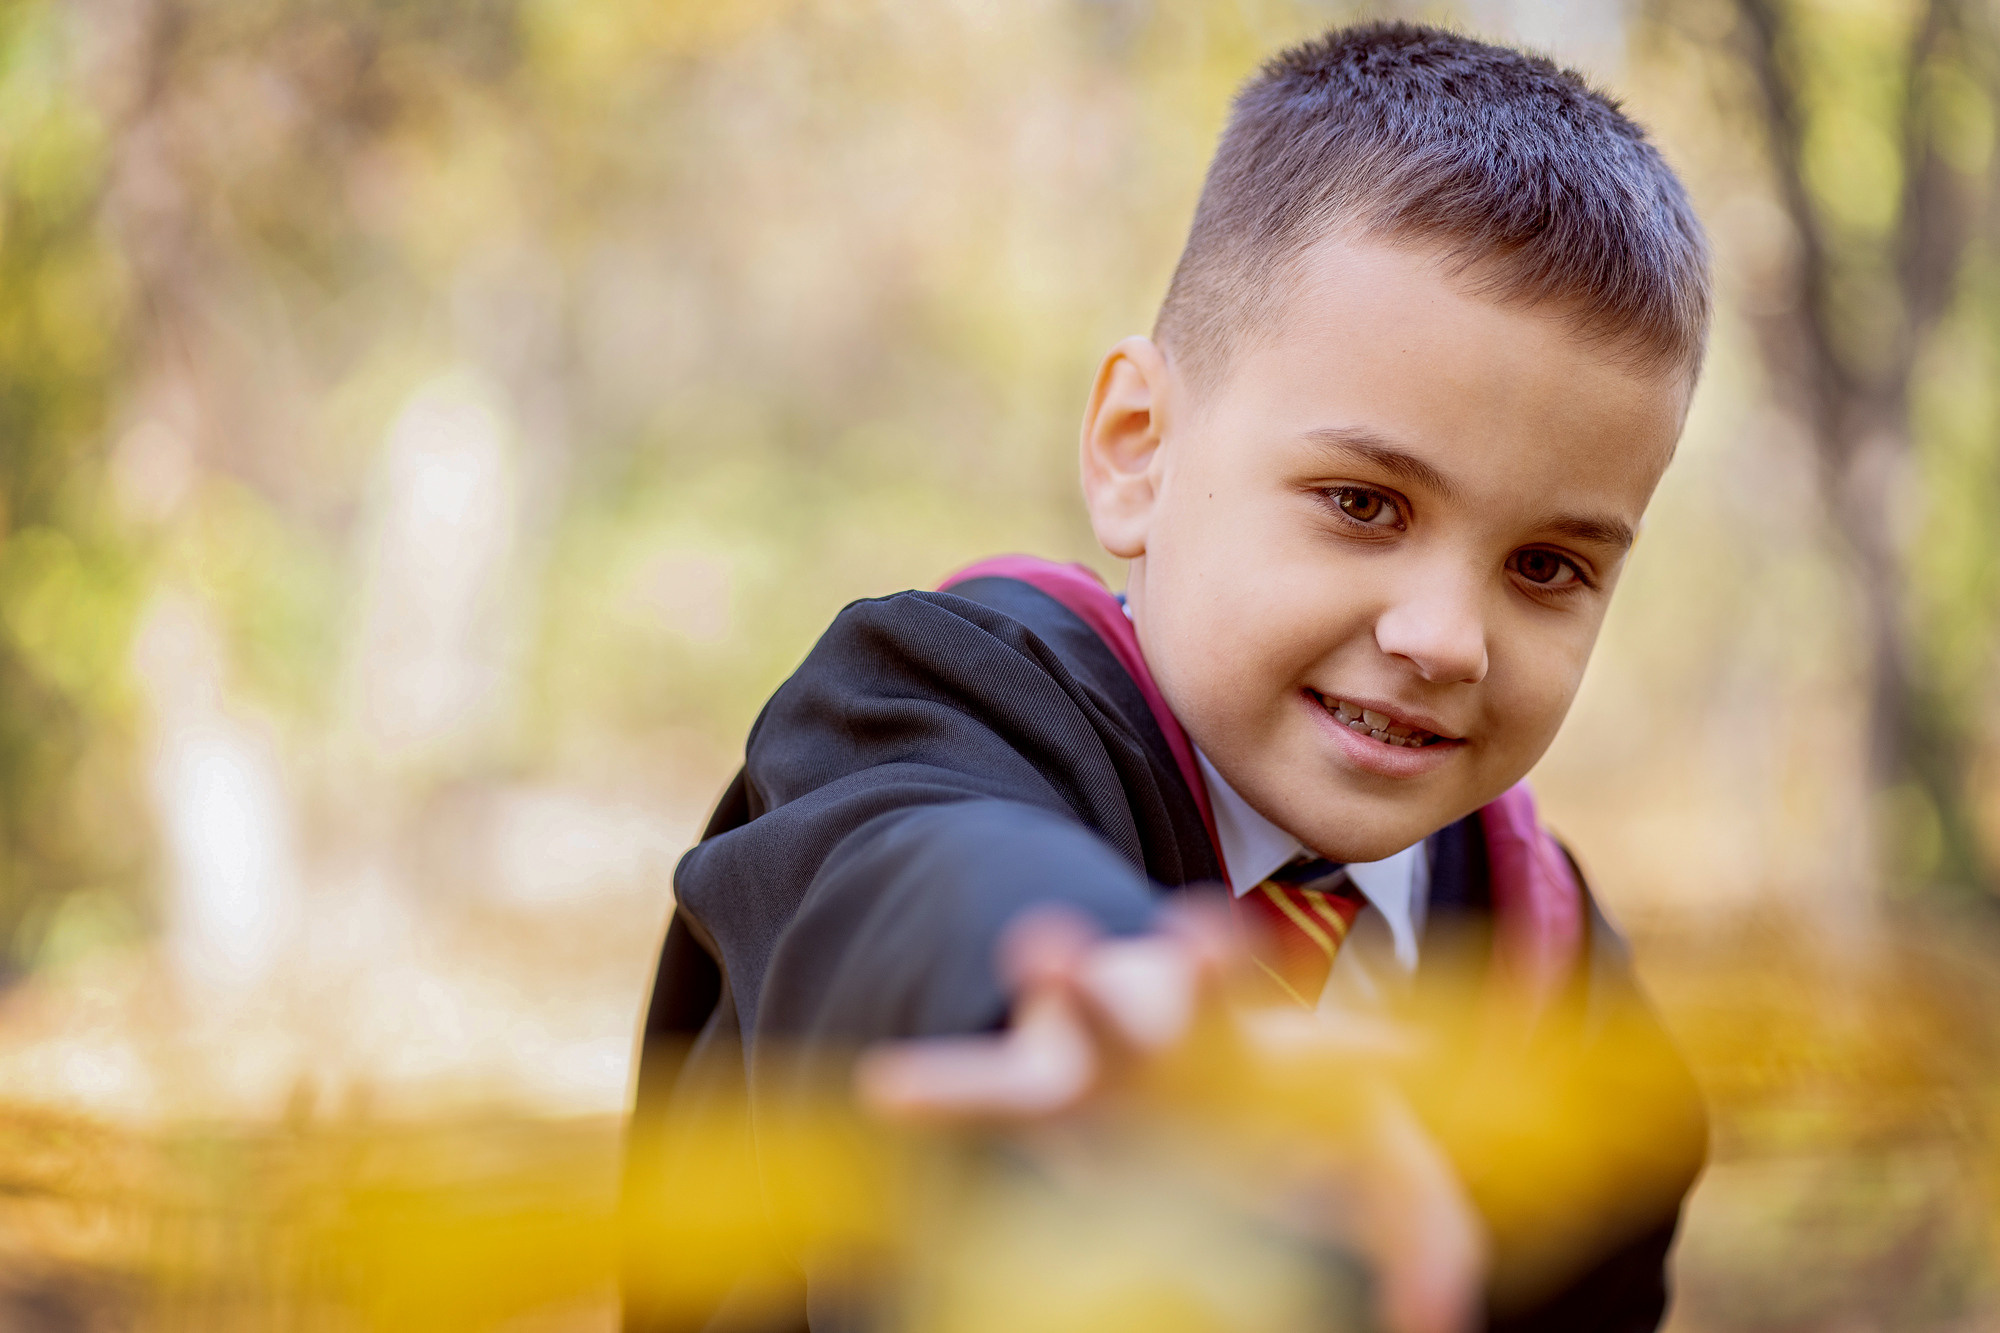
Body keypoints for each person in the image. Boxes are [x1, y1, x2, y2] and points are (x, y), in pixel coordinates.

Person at [627, 21, 1711, 1333]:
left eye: (1547, 566)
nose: (1446, 636)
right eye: (1364, 501)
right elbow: (913, 870)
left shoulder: (1551, 968)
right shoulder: (930, 707)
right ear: (1138, 449)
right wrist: (1092, 976)